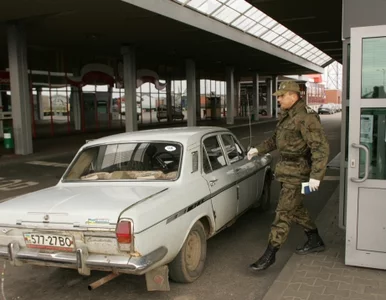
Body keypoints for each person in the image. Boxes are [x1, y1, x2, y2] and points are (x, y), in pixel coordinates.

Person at [247, 81, 330, 272]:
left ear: (293, 95)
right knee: (295, 208)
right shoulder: (287, 116)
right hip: (287, 170)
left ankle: (270, 253)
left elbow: (320, 148)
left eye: (281, 96)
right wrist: (257, 149)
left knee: (283, 212)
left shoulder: (306, 118)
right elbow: (275, 141)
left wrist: (316, 177)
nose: (278, 99)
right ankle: (314, 238)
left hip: (298, 172)